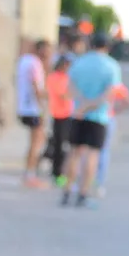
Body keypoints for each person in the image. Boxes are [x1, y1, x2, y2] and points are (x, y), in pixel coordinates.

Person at [64, 33, 121, 209]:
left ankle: (67, 191)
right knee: (92, 155)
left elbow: (70, 88)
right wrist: (91, 105)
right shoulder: (111, 66)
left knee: (74, 153)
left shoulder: (79, 62)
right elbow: (109, 93)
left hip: (78, 113)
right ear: (108, 47)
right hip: (98, 116)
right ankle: (83, 193)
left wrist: (81, 103)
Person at [14, 39, 51, 187]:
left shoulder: (24, 61)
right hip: (33, 108)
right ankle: (30, 175)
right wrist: (43, 107)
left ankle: (29, 173)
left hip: (25, 107)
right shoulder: (35, 63)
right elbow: (37, 87)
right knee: (36, 143)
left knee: (34, 142)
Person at [45, 55, 75, 188]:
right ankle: (57, 172)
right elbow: (64, 95)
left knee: (67, 146)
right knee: (60, 145)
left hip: (69, 114)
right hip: (59, 115)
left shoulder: (68, 78)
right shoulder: (54, 78)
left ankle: (64, 171)